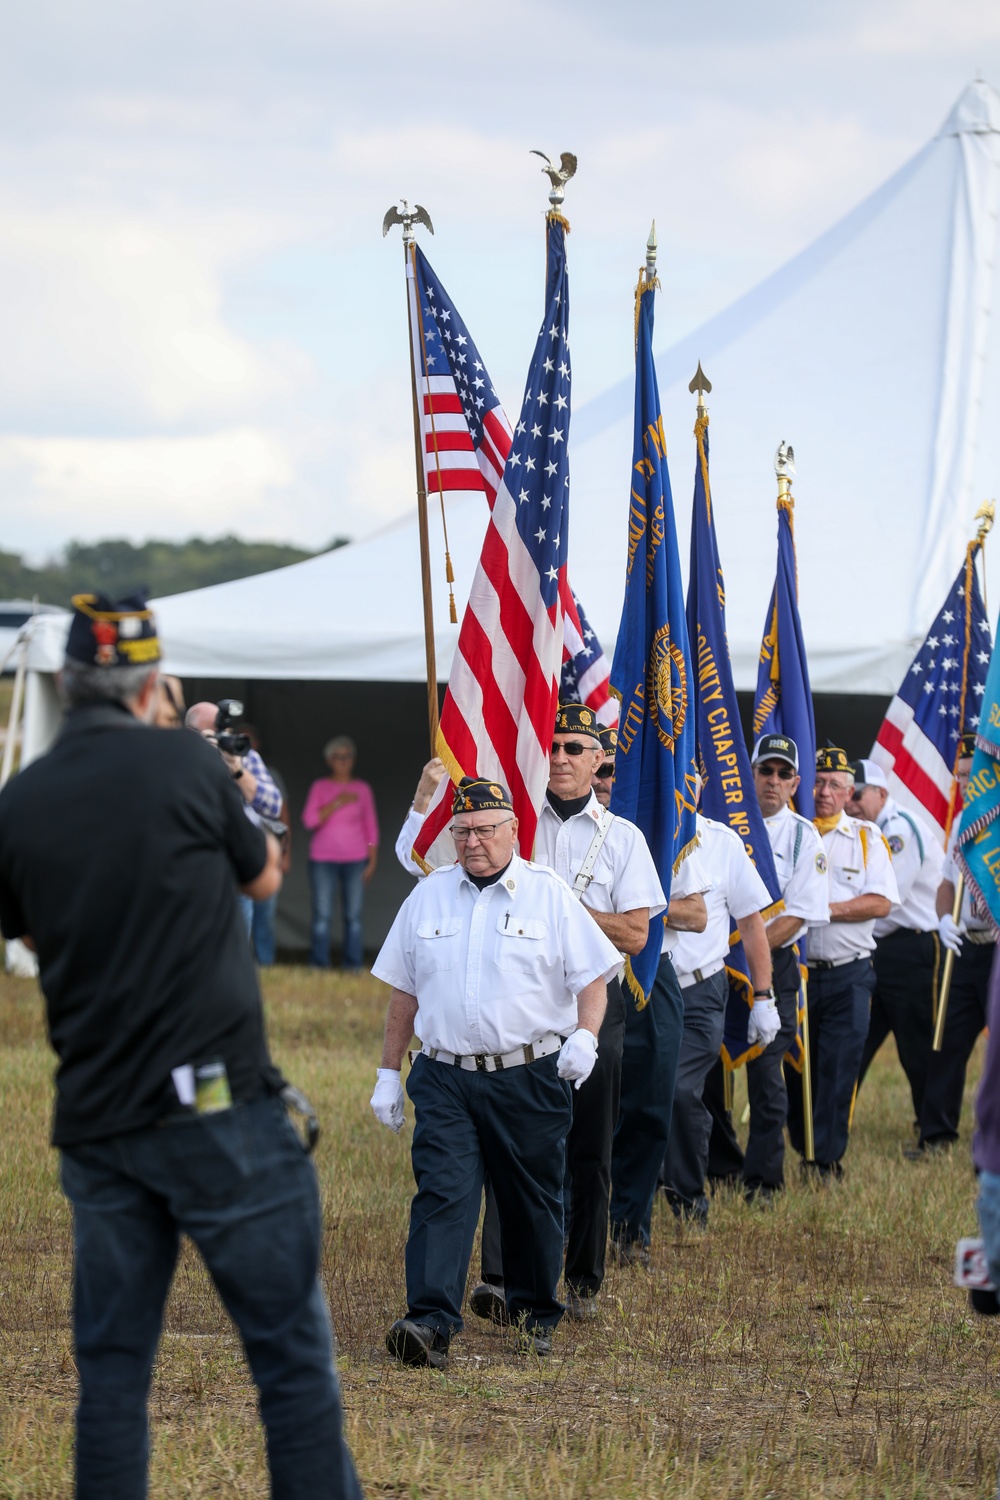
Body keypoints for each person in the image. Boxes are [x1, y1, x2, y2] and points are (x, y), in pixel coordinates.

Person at [0, 592, 362, 1500]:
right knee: (289, 1364)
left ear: (67, 681)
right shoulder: (186, 767)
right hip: (216, 1105)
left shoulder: (21, 797)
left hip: (96, 1113)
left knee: (113, 1379)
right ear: (154, 684)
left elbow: (35, 936)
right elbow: (264, 875)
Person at [370, 777, 621, 1367]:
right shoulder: (428, 897)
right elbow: (404, 992)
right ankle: (429, 1322)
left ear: (513, 830)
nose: (473, 842)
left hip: (527, 1075)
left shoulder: (548, 894)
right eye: (462, 832)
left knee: (531, 1198)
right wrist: (387, 1072)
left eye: (485, 830)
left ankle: (534, 1310)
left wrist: (585, 1036)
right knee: (441, 1194)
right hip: (445, 1074)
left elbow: (592, 978)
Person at [471, 704, 666, 1322]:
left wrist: (560, 918)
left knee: (587, 1146)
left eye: (574, 748)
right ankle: (502, 1276)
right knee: (514, 1141)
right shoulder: (516, 828)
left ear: (599, 759)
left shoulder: (623, 838)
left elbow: (635, 933)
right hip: (521, 1005)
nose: (558, 756)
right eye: (552, 745)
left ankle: (581, 1274)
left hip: (593, 1006)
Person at [705, 733, 830, 1202]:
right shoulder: (724, 824)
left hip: (772, 967)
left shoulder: (804, 836)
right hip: (718, 964)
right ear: (750, 773)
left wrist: (741, 947)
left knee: (766, 1074)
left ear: (796, 781)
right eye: (765, 771)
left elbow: (799, 914)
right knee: (708, 1068)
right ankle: (719, 1165)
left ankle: (763, 1179)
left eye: (783, 774)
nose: (773, 781)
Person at [660, 800, 776, 1226]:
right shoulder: (626, 832)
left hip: (699, 991)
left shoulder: (723, 842)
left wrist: (763, 997)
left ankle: (689, 1201)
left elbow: (751, 924)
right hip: (643, 989)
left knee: (678, 1090)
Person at [609, 822, 710, 1264]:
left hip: (648, 972)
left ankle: (629, 1227)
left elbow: (697, 914)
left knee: (650, 1106)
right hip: (569, 975)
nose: (608, 780)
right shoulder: (552, 822)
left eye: (615, 768)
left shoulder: (660, 822)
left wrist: (635, 907)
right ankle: (572, 1224)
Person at [795, 746, 898, 1178]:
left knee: (838, 1068)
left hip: (848, 972)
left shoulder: (866, 837)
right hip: (799, 974)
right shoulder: (793, 831)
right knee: (798, 1067)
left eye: (834, 784)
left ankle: (826, 1160)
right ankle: (802, 1147)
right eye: (818, 782)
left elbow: (882, 902)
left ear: (849, 791)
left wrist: (820, 908)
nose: (824, 792)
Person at [850, 757, 943, 1131]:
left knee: (917, 1044)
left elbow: (888, 899)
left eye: (857, 794)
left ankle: (932, 1126)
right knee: (856, 1039)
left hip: (911, 949)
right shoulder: (865, 829)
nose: (849, 802)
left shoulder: (898, 829)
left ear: (881, 793)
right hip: (878, 949)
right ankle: (835, 1116)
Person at [916, 733, 996, 1155]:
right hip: (965, 946)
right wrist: (944, 919)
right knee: (947, 1038)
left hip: (998, 947)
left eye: (972, 775)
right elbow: (947, 883)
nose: (965, 782)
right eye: (961, 775)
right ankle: (937, 1135)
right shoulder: (965, 821)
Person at [303, 736, 379, 971]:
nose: (344, 761)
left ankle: (353, 966)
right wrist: (338, 802)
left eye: (348, 756)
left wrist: (372, 861)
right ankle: (318, 965)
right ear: (329, 760)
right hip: (322, 859)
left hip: (356, 859)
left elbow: (371, 827)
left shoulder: (362, 789)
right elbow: (309, 821)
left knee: (353, 916)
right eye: (338, 756)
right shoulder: (319, 787)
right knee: (322, 914)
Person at [240, 722, 293, 967]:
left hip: (266, 850)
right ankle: (243, 963)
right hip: (239, 849)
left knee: (264, 913)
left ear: (258, 745)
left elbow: (283, 814)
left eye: (250, 739)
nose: (246, 744)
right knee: (242, 912)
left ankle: (265, 962)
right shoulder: (220, 766)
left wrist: (285, 852)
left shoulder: (270, 773)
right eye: (240, 739)